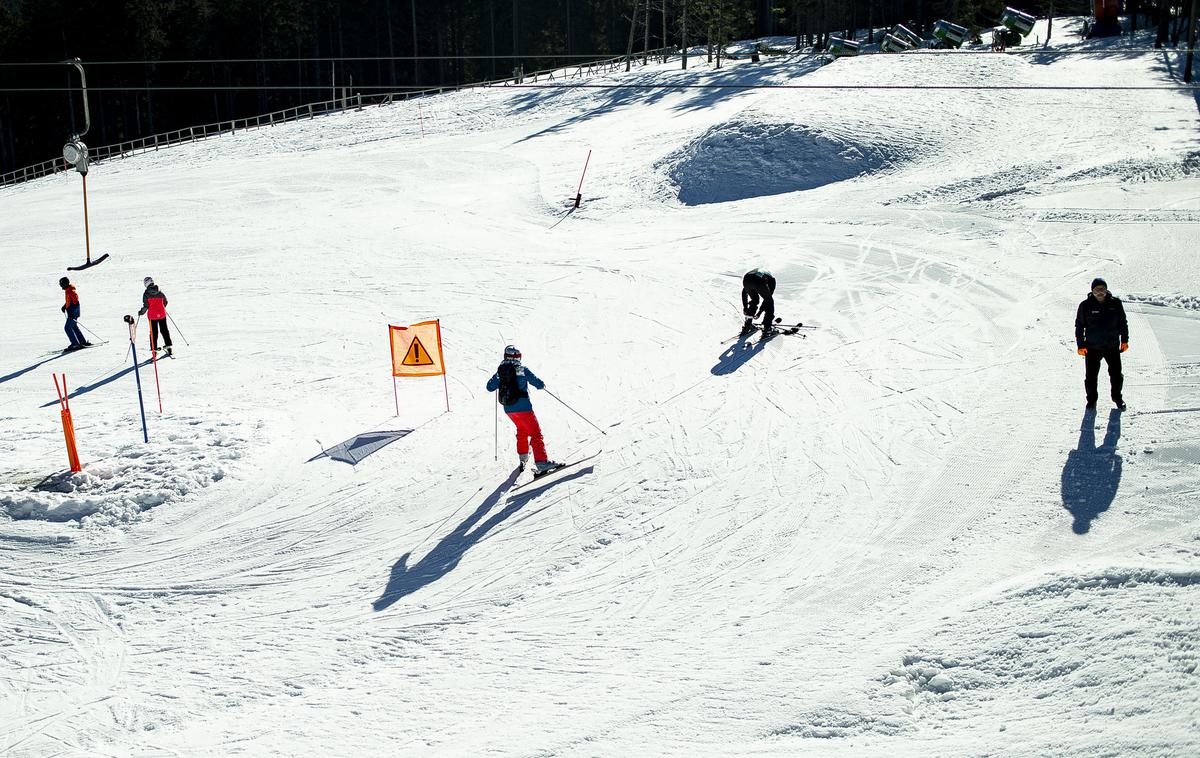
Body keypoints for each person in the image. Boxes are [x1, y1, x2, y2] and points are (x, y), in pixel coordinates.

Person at [486, 345, 560, 474]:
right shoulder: (522, 369)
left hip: (509, 409)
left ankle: (523, 456)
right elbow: (538, 384)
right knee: (536, 434)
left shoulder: (500, 371)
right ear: (517, 357)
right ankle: (542, 463)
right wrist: (541, 385)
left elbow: (490, 387)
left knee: (522, 430)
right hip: (524, 407)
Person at [1075, 277, 1128, 411]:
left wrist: (1125, 340)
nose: (1100, 292)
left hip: (1112, 347)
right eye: (1097, 289)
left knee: (1116, 376)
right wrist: (1080, 345)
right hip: (1092, 348)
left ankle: (1117, 399)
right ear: (1092, 291)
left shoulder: (1115, 303)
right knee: (1091, 377)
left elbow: (1123, 323)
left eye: (1102, 289)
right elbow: (1079, 326)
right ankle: (1091, 401)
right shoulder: (1085, 306)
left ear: (1106, 290)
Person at [137, 276, 173, 355]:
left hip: (152, 316)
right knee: (164, 330)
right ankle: (168, 346)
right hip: (162, 314)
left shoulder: (146, 294)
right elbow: (165, 302)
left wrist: (141, 312)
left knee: (153, 332)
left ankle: (154, 350)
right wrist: (160, 308)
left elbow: (146, 306)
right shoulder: (160, 292)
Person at [59, 276, 90, 351]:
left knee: (67, 328)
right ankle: (82, 341)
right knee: (73, 327)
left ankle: (75, 344)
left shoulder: (71, 291)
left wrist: (73, 313)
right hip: (72, 313)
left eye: (61, 284)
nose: (60, 285)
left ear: (65, 284)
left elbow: (76, 303)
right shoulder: (68, 290)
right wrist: (65, 306)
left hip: (72, 313)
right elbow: (70, 301)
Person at [741, 268, 777, 334]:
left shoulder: (761, 273)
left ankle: (747, 325)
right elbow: (767, 300)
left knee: (754, 300)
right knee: (770, 302)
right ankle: (767, 328)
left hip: (746, 279)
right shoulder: (772, 280)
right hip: (757, 280)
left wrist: (745, 307)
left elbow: (744, 293)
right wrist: (759, 312)